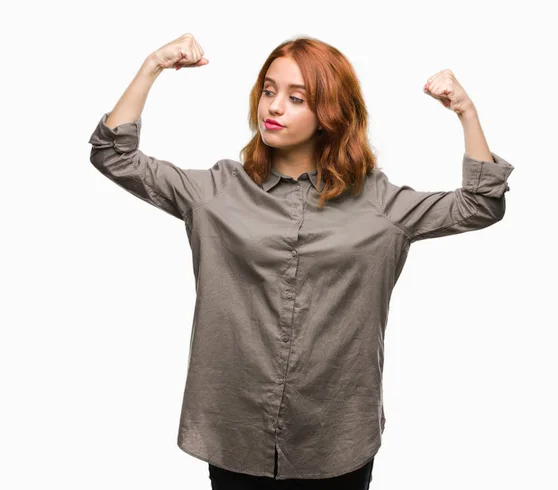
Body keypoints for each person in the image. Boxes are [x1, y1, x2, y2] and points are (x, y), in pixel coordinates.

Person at [88, 33, 514, 489]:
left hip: (335, 440)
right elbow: (114, 155)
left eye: (296, 98)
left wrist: (466, 111)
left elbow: (480, 205)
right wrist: (153, 63)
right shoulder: (215, 191)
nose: (273, 107)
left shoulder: (378, 203)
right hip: (236, 435)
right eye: (269, 91)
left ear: (330, 113)